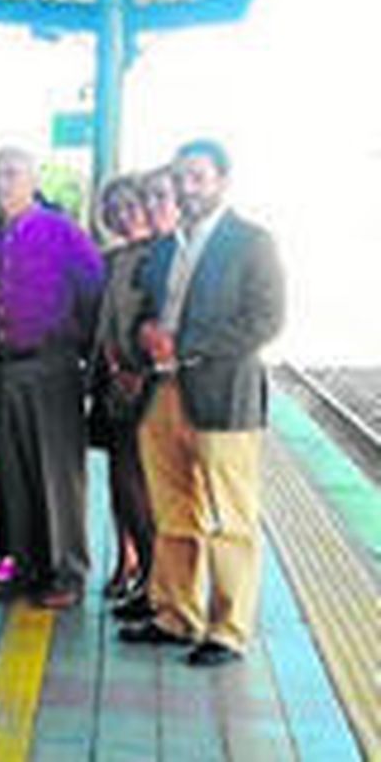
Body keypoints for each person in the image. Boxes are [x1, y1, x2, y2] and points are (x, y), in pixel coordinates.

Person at [119, 140, 285, 667]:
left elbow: (265, 320)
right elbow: (148, 306)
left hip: (222, 399)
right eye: (182, 178)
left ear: (222, 179)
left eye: (198, 178)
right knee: (174, 512)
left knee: (230, 519)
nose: (188, 189)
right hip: (162, 392)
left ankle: (228, 629)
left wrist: (185, 344)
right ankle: (176, 615)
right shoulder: (167, 246)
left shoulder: (251, 242)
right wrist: (144, 332)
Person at [0, 148, 104, 608]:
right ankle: (22, 565)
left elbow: (95, 291)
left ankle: (66, 571)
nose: (2, 182)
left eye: (12, 173)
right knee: (7, 472)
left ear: (33, 181)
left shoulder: (63, 231)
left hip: (51, 367)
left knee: (57, 473)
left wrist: (78, 356)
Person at [88, 175, 156, 605]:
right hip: (111, 381)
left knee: (143, 482)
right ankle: (127, 559)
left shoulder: (162, 254)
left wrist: (139, 370)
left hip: (148, 381)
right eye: (114, 208)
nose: (123, 214)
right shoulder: (113, 258)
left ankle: (155, 574)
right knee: (120, 478)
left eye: (131, 205)